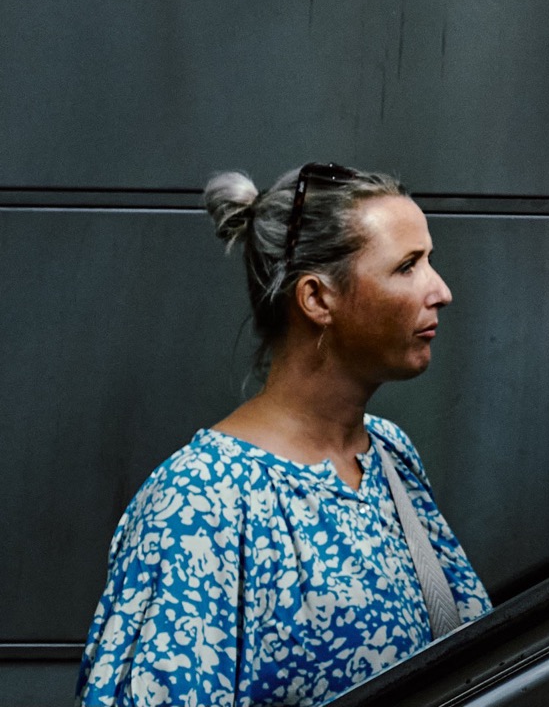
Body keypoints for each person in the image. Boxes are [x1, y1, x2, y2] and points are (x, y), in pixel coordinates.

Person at [80, 164, 488, 707]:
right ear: (317, 299)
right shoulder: (199, 502)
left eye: (429, 261)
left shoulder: (389, 454)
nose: (441, 291)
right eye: (408, 266)